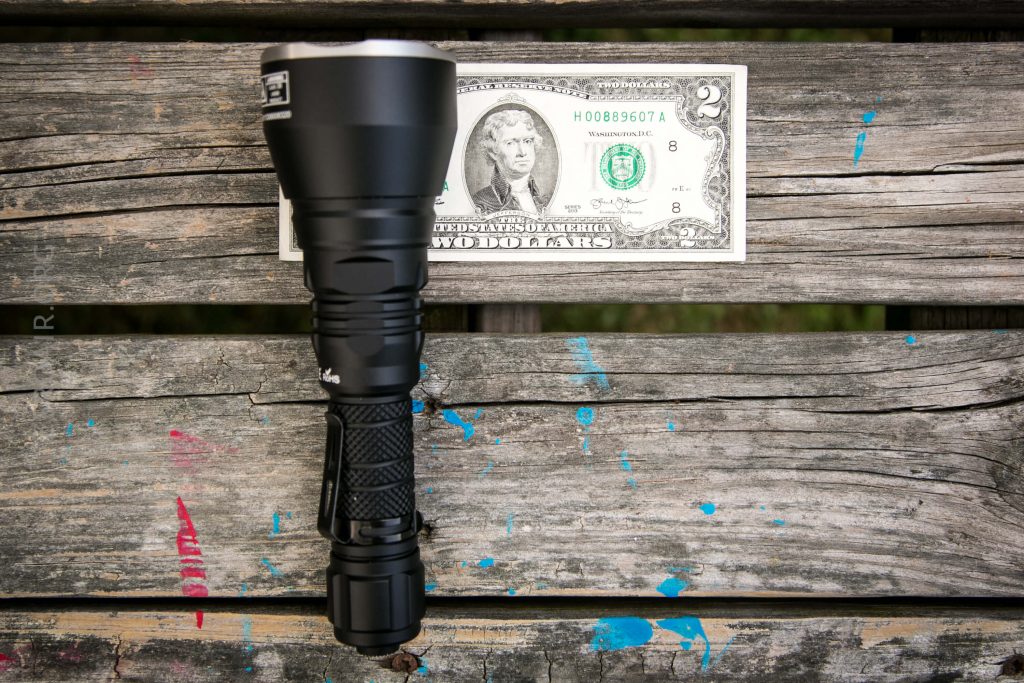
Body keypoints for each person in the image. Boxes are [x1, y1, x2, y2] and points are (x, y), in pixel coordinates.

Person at [471, 109, 550, 214]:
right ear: (493, 151)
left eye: (527, 141)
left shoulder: (545, 200)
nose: (522, 152)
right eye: (510, 143)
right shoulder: (480, 203)